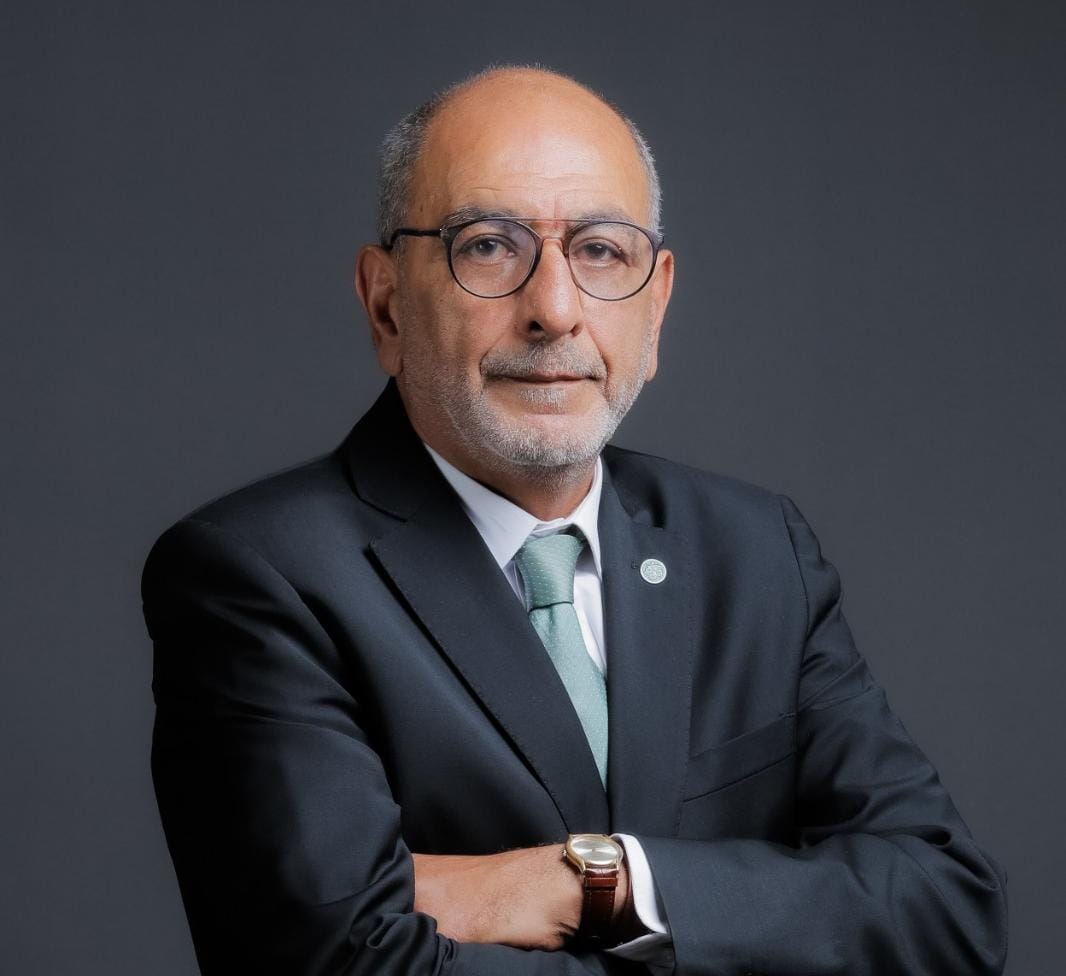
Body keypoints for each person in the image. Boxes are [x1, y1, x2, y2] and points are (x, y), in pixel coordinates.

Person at [141, 66, 1007, 976]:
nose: (554, 310)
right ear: (387, 304)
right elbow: (338, 964)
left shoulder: (756, 553)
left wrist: (598, 883)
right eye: (487, 246)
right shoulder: (258, 576)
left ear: (656, 306)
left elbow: (946, 910)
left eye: (599, 251)